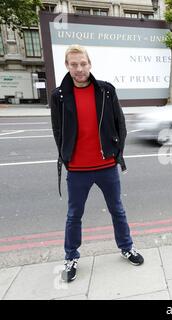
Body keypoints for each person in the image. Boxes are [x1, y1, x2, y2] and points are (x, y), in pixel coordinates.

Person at [50, 45, 143, 282]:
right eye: (74, 64)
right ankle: (71, 256)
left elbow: (119, 124)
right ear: (67, 66)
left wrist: (116, 154)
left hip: (106, 167)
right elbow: (58, 131)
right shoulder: (59, 96)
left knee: (117, 210)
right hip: (78, 170)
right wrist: (66, 157)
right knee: (74, 215)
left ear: (89, 64)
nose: (79, 69)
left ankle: (126, 247)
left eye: (83, 63)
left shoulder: (106, 91)